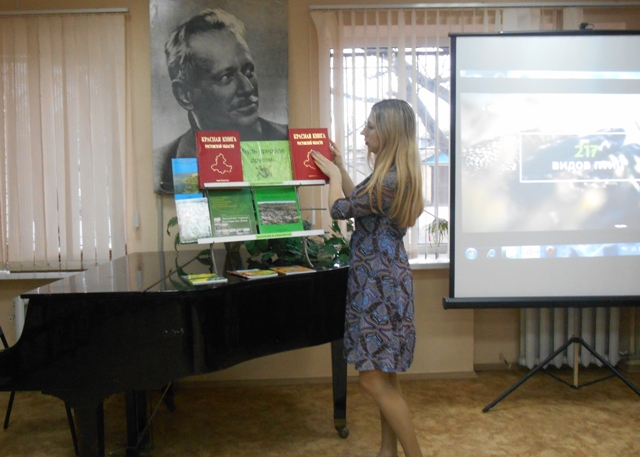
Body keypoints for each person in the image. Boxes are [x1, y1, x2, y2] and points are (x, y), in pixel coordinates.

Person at [312, 99, 424, 457]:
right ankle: (387, 451)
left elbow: (339, 209)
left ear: (388, 132)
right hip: (382, 277)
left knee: (372, 379)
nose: (363, 132)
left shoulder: (388, 180)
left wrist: (332, 177)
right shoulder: (390, 176)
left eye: (371, 126)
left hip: (378, 283)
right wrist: (342, 168)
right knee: (386, 374)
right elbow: (357, 200)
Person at [154, 8, 288, 193]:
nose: (247, 88)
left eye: (248, 70)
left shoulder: (286, 142)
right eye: (225, 77)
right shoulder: (162, 166)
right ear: (185, 95)